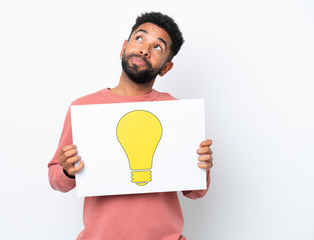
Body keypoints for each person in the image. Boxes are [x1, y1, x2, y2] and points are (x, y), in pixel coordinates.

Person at [48, 12, 213, 240]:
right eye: (139, 39)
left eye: (157, 48)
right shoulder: (84, 108)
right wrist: (67, 169)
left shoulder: (177, 113)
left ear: (166, 67)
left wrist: (201, 167)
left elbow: (195, 191)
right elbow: (56, 179)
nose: (144, 49)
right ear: (124, 47)